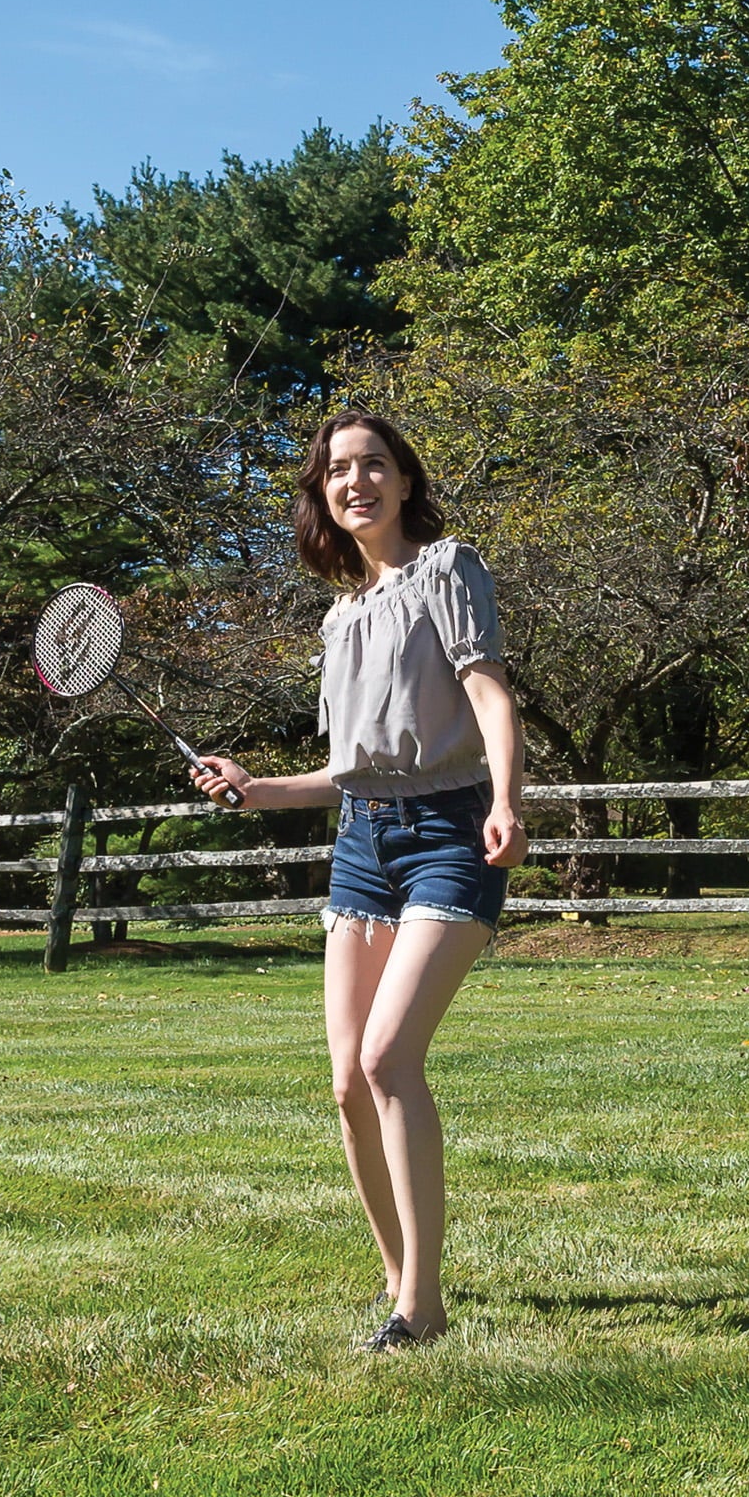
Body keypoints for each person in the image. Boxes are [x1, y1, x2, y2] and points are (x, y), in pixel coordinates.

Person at [190, 411, 526, 1352]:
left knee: (388, 1060)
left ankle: (419, 1311)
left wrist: (507, 799)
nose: (356, 483)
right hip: (361, 843)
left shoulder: (449, 569)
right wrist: (257, 789)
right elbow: (350, 768)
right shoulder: (340, 618)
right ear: (323, 497)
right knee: (345, 1082)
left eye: (374, 465)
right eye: (337, 472)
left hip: (451, 830)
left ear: (405, 481)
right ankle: (401, 1281)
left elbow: (490, 693)